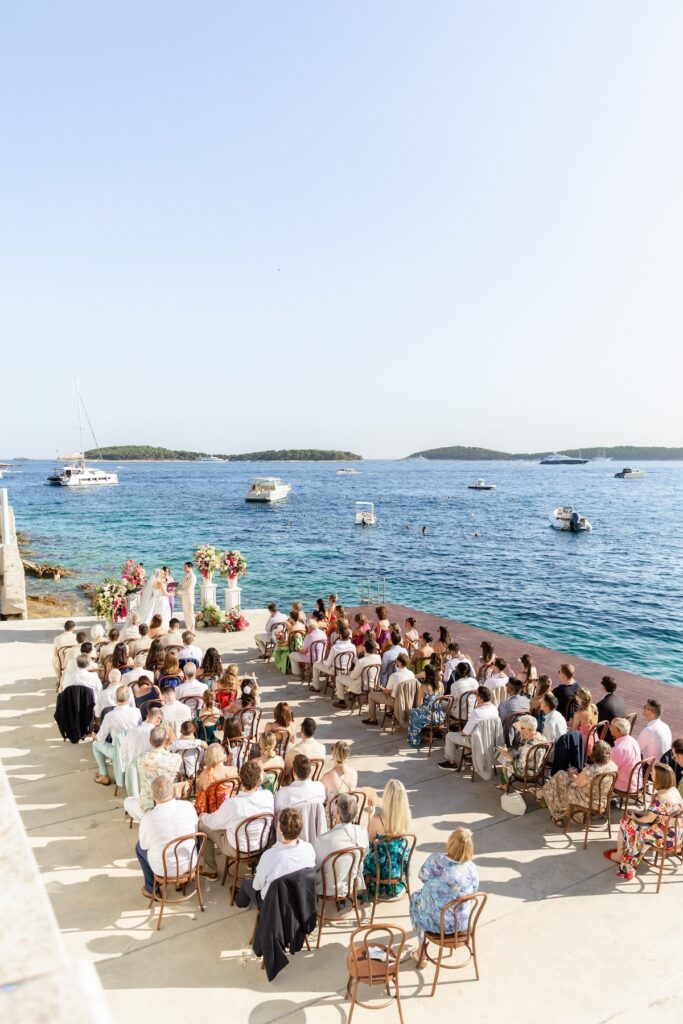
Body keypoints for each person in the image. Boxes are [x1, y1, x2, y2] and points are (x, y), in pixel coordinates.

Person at [410, 827, 479, 963]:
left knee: (415, 899)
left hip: (437, 925)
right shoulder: (471, 869)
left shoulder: (435, 860)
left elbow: (422, 876)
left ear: (450, 843)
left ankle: (421, 952)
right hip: (461, 924)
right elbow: (474, 892)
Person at [605, 764, 683, 881]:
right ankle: (623, 852)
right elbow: (655, 814)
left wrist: (635, 817)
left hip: (664, 839)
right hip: (677, 835)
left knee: (626, 822)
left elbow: (648, 819)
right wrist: (638, 812)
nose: (650, 774)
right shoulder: (674, 791)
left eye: (653, 773)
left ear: (660, 778)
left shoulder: (661, 798)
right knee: (631, 822)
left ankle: (621, 857)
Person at [198, 759, 274, 879]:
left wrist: (203, 817)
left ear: (240, 779)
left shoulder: (232, 804)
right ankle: (251, 862)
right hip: (261, 845)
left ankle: (210, 870)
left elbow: (213, 824)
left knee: (202, 825)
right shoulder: (268, 796)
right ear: (259, 779)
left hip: (238, 849)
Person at [236, 807, 315, 907]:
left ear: (280, 830)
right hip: (298, 898)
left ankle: (240, 903)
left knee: (247, 883)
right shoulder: (309, 849)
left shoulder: (269, 856)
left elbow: (257, 886)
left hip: (273, 904)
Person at [136, 775, 199, 898]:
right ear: (173, 791)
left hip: (163, 869)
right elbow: (195, 830)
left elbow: (144, 845)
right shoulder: (188, 806)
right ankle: (181, 881)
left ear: (153, 796)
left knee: (139, 847)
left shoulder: (148, 818)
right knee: (196, 835)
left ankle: (152, 889)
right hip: (189, 862)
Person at [540, 739, 616, 826]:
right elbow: (590, 780)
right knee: (561, 775)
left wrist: (572, 773)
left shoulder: (591, 770)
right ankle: (542, 793)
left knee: (559, 782)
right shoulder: (612, 766)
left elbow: (578, 783)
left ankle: (557, 815)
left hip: (586, 800)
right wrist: (579, 774)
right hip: (601, 800)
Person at [314, 793, 368, 896]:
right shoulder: (362, 832)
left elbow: (315, 866)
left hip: (327, 888)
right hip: (351, 884)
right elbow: (364, 855)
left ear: (337, 812)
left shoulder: (323, 839)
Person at [364, 780, 412, 898]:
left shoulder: (376, 819)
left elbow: (368, 841)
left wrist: (370, 815)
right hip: (399, 867)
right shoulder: (406, 817)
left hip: (380, 869)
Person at [126, 724, 183, 818]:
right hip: (167, 802)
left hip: (147, 805)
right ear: (166, 740)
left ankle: (145, 820)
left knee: (127, 801)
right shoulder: (176, 759)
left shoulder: (141, 759)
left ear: (150, 741)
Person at [438, 686, 499, 770]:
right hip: (490, 740)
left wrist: (459, 733)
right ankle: (469, 758)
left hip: (477, 742)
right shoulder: (494, 709)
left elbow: (465, 732)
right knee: (469, 734)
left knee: (449, 736)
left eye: (476, 695)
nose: (475, 697)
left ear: (480, 698)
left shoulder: (477, 712)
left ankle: (451, 763)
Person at [91, 685, 141, 785]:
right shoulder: (137, 712)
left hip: (118, 752)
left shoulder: (110, 715)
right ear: (129, 697)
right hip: (135, 749)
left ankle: (104, 774)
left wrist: (94, 736)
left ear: (116, 698)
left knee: (95, 744)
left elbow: (101, 737)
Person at [494, 715, 546, 791]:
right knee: (510, 753)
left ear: (528, 730)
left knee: (503, 759)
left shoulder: (528, 747)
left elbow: (520, 764)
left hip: (527, 770)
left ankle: (504, 785)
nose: (519, 730)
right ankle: (505, 782)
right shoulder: (542, 738)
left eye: (521, 728)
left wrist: (507, 754)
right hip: (538, 767)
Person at [363, 652, 416, 725]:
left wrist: (381, 688)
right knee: (392, 693)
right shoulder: (411, 674)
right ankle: (392, 712)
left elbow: (386, 692)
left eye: (396, 661)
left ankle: (373, 719)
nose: (395, 663)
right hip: (408, 700)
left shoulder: (394, 676)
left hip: (396, 701)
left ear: (399, 663)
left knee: (371, 695)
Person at [332, 636, 382, 709]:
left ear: (365, 648)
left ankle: (341, 701)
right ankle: (352, 695)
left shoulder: (361, 661)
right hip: (374, 685)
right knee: (351, 675)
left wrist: (350, 673)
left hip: (361, 687)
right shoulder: (378, 658)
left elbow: (353, 677)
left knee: (339, 678)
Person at [407, 665, 443, 748]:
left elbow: (419, 704)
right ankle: (427, 732)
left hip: (428, 715)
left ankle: (414, 741)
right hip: (439, 714)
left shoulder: (424, 686)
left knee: (412, 714)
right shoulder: (440, 684)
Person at [311, 625, 356, 693]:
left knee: (315, 665)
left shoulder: (335, 647)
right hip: (346, 670)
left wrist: (323, 662)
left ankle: (316, 687)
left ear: (340, 636)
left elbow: (328, 663)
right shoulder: (353, 646)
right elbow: (355, 660)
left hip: (335, 670)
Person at [609, 717, 642, 795]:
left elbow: (609, 770)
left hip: (625, 786)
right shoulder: (633, 740)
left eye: (611, 726)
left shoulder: (619, 749)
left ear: (618, 730)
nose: (610, 728)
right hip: (637, 782)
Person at [568, 687, 599, 756]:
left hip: (584, 744)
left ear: (579, 698)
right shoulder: (594, 708)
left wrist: (569, 725)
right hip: (594, 740)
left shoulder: (579, 713)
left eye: (576, 694)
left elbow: (572, 731)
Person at [179, 560, 197, 632]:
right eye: (184, 567)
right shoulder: (186, 575)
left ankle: (192, 631)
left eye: (185, 567)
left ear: (190, 567)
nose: (184, 568)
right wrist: (176, 587)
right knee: (186, 614)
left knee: (190, 614)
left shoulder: (193, 577)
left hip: (189, 598)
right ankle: (188, 629)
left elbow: (188, 589)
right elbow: (183, 586)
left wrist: (178, 592)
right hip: (184, 597)